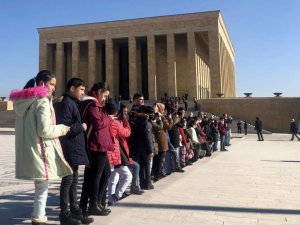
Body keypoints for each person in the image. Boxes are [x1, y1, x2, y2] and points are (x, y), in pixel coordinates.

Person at [10, 70, 72, 225]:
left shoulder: (21, 102)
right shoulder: (42, 100)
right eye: (52, 84)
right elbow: (44, 130)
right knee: (42, 189)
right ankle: (39, 218)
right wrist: (62, 128)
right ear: (41, 83)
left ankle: (38, 215)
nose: (53, 88)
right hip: (40, 150)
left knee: (40, 187)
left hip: (28, 150)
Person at [55, 78, 94, 225]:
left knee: (74, 179)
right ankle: (65, 214)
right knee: (67, 180)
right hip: (70, 147)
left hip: (75, 147)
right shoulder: (66, 103)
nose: (83, 93)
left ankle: (75, 211)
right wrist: (81, 126)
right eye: (81, 90)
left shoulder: (72, 103)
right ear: (72, 88)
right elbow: (64, 126)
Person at [79, 82, 115, 216]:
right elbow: (98, 123)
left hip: (100, 144)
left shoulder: (96, 105)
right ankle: (93, 204)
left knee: (103, 174)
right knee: (95, 176)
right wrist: (109, 118)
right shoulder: (92, 104)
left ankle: (95, 203)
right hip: (96, 144)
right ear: (99, 91)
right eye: (105, 95)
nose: (105, 99)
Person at [105, 102, 133, 205]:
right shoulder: (115, 122)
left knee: (113, 178)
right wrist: (125, 120)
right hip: (115, 154)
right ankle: (117, 195)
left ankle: (110, 200)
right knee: (128, 176)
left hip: (107, 154)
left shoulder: (104, 120)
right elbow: (126, 133)